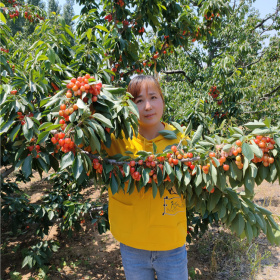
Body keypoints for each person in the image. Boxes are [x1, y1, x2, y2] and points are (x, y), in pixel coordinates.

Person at [105, 75, 188, 280]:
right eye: (139, 101)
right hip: (132, 243)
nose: (148, 106)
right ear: (128, 107)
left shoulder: (181, 140)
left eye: (153, 97)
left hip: (171, 242)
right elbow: (84, 147)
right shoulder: (118, 138)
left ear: (163, 100)